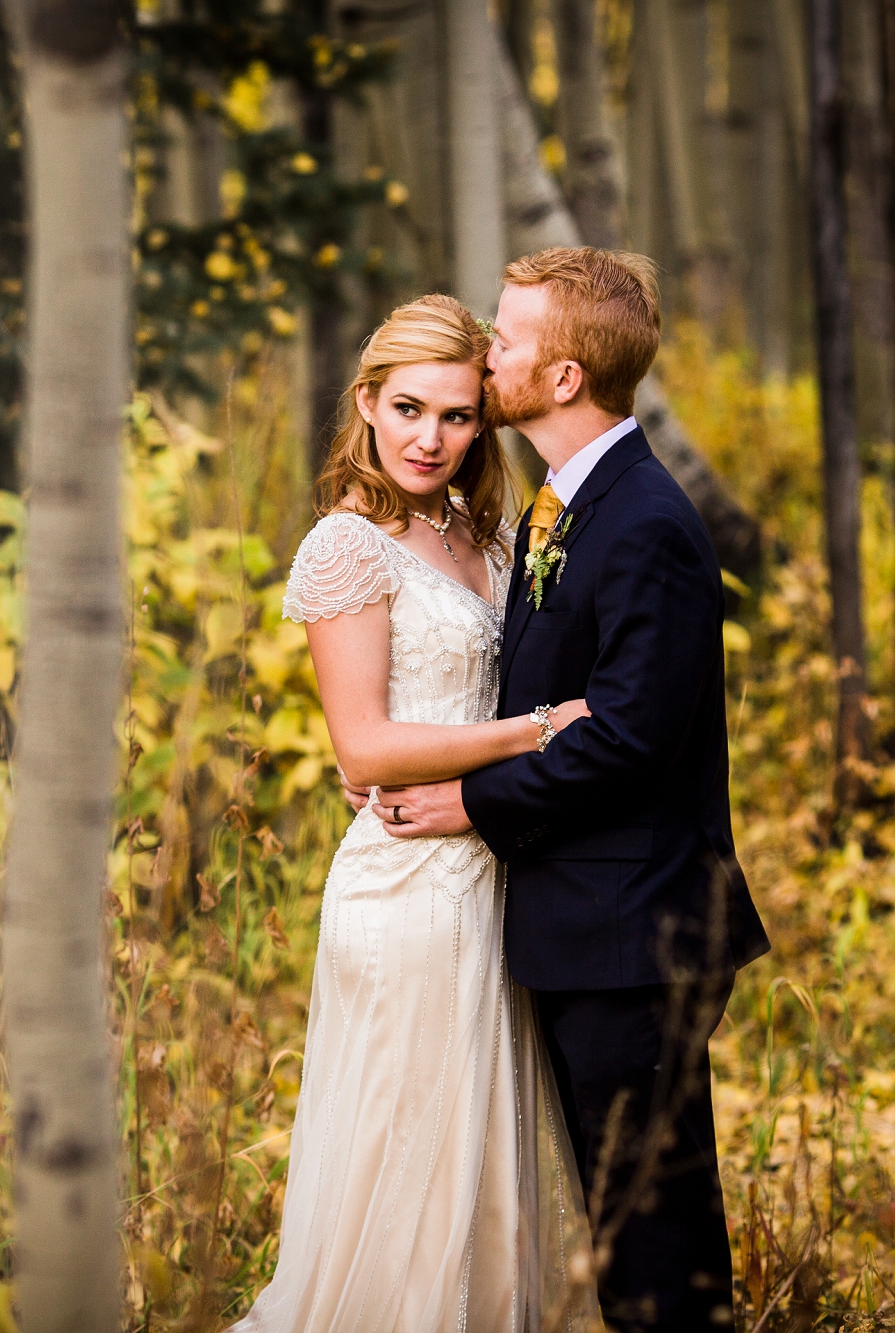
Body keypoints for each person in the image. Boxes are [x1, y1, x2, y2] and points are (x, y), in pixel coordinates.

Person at [366, 248, 771, 1332]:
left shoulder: (643, 524)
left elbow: (631, 737)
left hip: (637, 937)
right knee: (623, 1222)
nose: (484, 354)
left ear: (559, 379)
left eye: (504, 339)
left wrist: (470, 802)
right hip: (586, 926)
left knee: (657, 1241)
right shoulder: (563, 507)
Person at [231, 294, 598, 1333]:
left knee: (483, 1180)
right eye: (405, 409)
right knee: (406, 1167)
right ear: (364, 403)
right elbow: (366, 747)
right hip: (403, 892)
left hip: (490, 876)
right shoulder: (345, 547)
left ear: (484, 420)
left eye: (455, 415)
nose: (427, 438)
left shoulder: (480, 533)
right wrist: (535, 729)